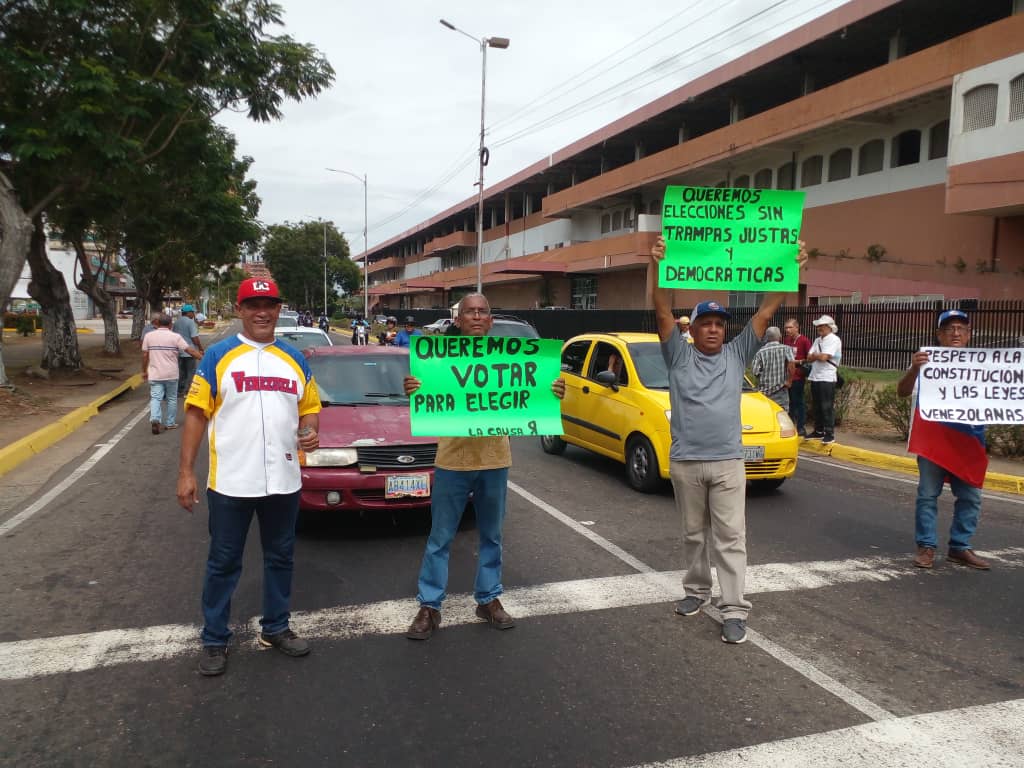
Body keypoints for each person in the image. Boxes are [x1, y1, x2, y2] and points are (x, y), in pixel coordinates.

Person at [649, 235, 806, 645]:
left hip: (728, 464)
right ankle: (696, 592)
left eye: (720, 324)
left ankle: (733, 608)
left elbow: (768, 307)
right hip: (685, 462)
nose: (714, 329)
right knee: (693, 534)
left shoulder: (738, 355)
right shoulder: (678, 355)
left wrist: (792, 265)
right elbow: (661, 309)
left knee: (731, 538)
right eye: (706, 323)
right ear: (695, 328)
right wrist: (657, 264)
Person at [176, 277, 322, 676]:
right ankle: (214, 639)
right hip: (231, 484)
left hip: (284, 480)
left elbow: (310, 405)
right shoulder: (219, 357)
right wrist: (186, 472)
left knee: (281, 557)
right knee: (223, 562)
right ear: (240, 310)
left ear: (278, 309)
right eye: (253, 304)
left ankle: (276, 627)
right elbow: (195, 413)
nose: (262, 311)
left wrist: (310, 429)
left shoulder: (295, 359)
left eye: (269, 304)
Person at [404, 293, 565, 640]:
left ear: (490, 321)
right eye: (470, 312)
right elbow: (423, 398)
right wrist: (412, 388)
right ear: (458, 320)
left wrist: (552, 391)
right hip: (452, 460)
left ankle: (488, 598)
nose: (476, 317)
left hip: (495, 460)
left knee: (492, 535)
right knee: (440, 537)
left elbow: (536, 395)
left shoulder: (511, 360)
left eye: (482, 312)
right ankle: (429, 605)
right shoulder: (437, 361)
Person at [897, 309, 990, 571]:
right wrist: (915, 369)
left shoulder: (982, 363)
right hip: (933, 440)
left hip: (969, 439)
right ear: (939, 334)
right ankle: (926, 546)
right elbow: (902, 392)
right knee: (927, 495)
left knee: (971, 496)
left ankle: (960, 547)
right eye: (949, 328)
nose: (956, 333)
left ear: (969, 334)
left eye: (961, 328)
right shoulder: (925, 361)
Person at [141, 313, 202, 434]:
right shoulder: (175, 337)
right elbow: (189, 350)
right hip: (171, 374)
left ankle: (155, 418)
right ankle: (170, 423)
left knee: (155, 397)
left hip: (155, 373)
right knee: (172, 398)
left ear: (157, 323)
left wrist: (144, 370)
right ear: (170, 324)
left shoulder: (149, 336)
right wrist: (202, 358)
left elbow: (144, 355)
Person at [806, 314, 842, 444]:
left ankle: (829, 432)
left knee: (826, 406)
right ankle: (818, 430)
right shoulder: (817, 340)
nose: (819, 328)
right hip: (815, 376)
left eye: (822, 326)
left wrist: (816, 355)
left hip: (827, 376)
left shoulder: (834, 339)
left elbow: (824, 357)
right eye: (818, 326)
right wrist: (816, 355)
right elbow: (809, 357)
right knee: (816, 406)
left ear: (829, 327)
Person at [751, 326, 795, 409]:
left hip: (765, 391)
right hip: (781, 390)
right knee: (782, 415)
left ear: (766, 338)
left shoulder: (760, 352)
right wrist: (789, 381)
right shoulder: (786, 349)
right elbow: (792, 364)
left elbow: (755, 371)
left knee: (767, 415)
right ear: (780, 336)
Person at [783, 318, 812, 437]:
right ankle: (790, 426)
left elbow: (809, 359)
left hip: (798, 376)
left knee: (798, 402)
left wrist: (797, 362)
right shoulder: (786, 341)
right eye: (786, 328)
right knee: (789, 404)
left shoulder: (804, 340)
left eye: (790, 327)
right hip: (787, 376)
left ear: (796, 327)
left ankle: (801, 427)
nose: (787, 330)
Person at [172, 304, 204, 397]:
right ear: (189, 313)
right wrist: (200, 348)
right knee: (191, 371)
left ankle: (180, 390)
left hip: (179, 351)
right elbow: (194, 338)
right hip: (189, 352)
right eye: (192, 312)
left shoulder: (177, 322)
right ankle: (188, 391)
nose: (193, 314)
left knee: (181, 372)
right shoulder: (190, 322)